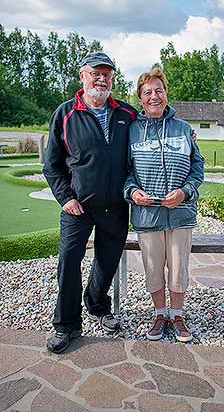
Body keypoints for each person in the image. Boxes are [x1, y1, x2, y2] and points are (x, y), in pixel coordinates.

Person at [43, 51, 137, 353]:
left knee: (107, 262)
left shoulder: (126, 113)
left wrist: (183, 131)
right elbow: (52, 165)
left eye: (107, 74)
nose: (102, 78)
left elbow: (154, 126)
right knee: (69, 263)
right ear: (82, 76)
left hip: (115, 207)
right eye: (95, 72)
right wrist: (65, 198)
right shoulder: (65, 113)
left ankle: (97, 306)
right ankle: (67, 324)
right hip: (78, 208)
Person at [124, 68, 204, 342]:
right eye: (148, 92)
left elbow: (197, 168)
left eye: (159, 90)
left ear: (166, 93)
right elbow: (125, 172)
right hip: (147, 215)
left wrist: (184, 192)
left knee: (178, 268)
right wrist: (133, 192)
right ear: (141, 98)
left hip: (180, 214)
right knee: (153, 268)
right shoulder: (133, 131)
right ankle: (160, 314)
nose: (154, 96)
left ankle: (177, 315)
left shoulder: (183, 129)